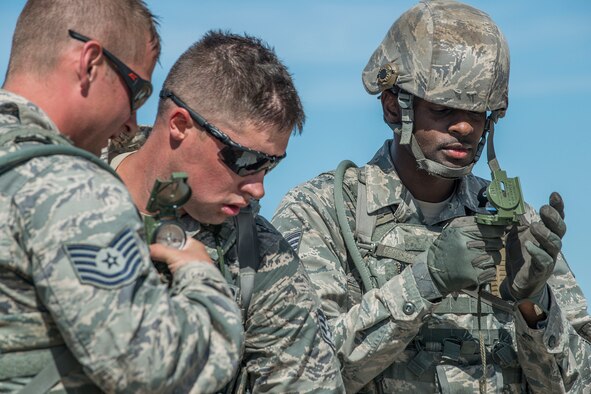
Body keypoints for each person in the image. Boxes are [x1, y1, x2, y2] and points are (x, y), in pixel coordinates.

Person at [271, 0, 591, 392]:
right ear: (394, 107)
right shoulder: (323, 213)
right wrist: (425, 282)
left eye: (477, 114)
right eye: (442, 109)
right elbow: (297, 375)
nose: (463, 127)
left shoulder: (514, 225)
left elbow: (579, 382)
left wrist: (534, 305)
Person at [0, 1, 243, 392]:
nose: (132, 120)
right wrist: (201, 278)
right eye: (137, 90)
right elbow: (153, 371)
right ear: (90, 62)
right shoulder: (70, 185)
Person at [108, 31, 344, 393]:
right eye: (246, 160)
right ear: (180, 126)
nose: (258, 187)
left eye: (271, 165)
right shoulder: (53, 193)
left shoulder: (260, 257)